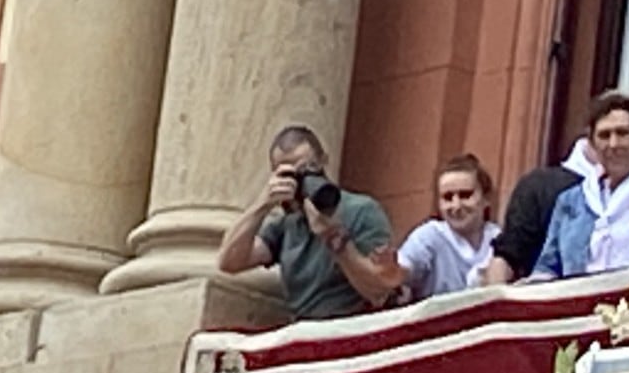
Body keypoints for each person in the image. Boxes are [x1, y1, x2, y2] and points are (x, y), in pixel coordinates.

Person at [218, 125, 401, 319]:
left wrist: (333, 237)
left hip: (351, 325)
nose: (302, 179)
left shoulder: (361, 210)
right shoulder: (287, 225)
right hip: (304, 330)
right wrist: (262, 204)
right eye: (291, 174)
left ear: (324, 161)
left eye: (309, 167)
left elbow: (378, 291)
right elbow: (229, 262)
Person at [530, 92, 629, 278]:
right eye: (604, 135)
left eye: (623, 133)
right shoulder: (572, 201)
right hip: (582, 303)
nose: (613, 143)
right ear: (592, 145)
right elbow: (548, 267)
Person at [479, 139, 597, 286]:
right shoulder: (541, 187)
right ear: (591, 138)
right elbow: (507, 255)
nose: (614, 144)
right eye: (605, 135)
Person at [396, 154, 500, 299]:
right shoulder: (429, 236)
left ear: (487, 198)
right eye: (447, 197)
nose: (456, 206)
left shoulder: (501, 238)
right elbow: (400, 272)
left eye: (465, 195)